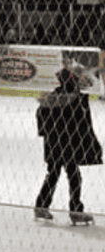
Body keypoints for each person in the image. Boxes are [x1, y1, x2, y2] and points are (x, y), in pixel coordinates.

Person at [34, 66, 101, 223]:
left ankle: (41, 207)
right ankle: (75, 210)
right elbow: (83, 124)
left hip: (53, 144)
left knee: (53, 174)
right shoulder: (76, 100)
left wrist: (47, 135)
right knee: (74, 177)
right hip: (68, 145)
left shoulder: (51, 98)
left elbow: (40, 118)